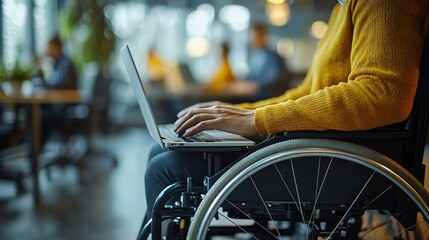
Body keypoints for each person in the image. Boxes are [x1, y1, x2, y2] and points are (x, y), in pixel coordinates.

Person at [142, 0, 428, 233]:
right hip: (319, 148)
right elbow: (307, 91)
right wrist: (243, 113)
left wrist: (256, 120)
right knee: (164, 150)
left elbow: (382, 94)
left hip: (336, 160)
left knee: (166, 166)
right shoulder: (342, 8)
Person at [32, 35, 78, 144]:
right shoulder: (58, 64)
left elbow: (56, 85)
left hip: (65, 107)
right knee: (38, 110)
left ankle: (36, 149)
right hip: (60, 104)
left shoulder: (65, 64)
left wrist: (39, 63)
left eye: (50, 48)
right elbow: (51, 84)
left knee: (40, 115)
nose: (48, 51)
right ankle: (35, 149)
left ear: (57, 47)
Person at [245, 22, 290, 100]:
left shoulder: (273, 57)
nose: (252, 40)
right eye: (251, 36)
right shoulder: (255, 56)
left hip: (267, 99)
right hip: (255, 97)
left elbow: (275, 81)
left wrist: (255, 87)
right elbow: (251, 79)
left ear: (264, 36)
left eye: (255, 36)